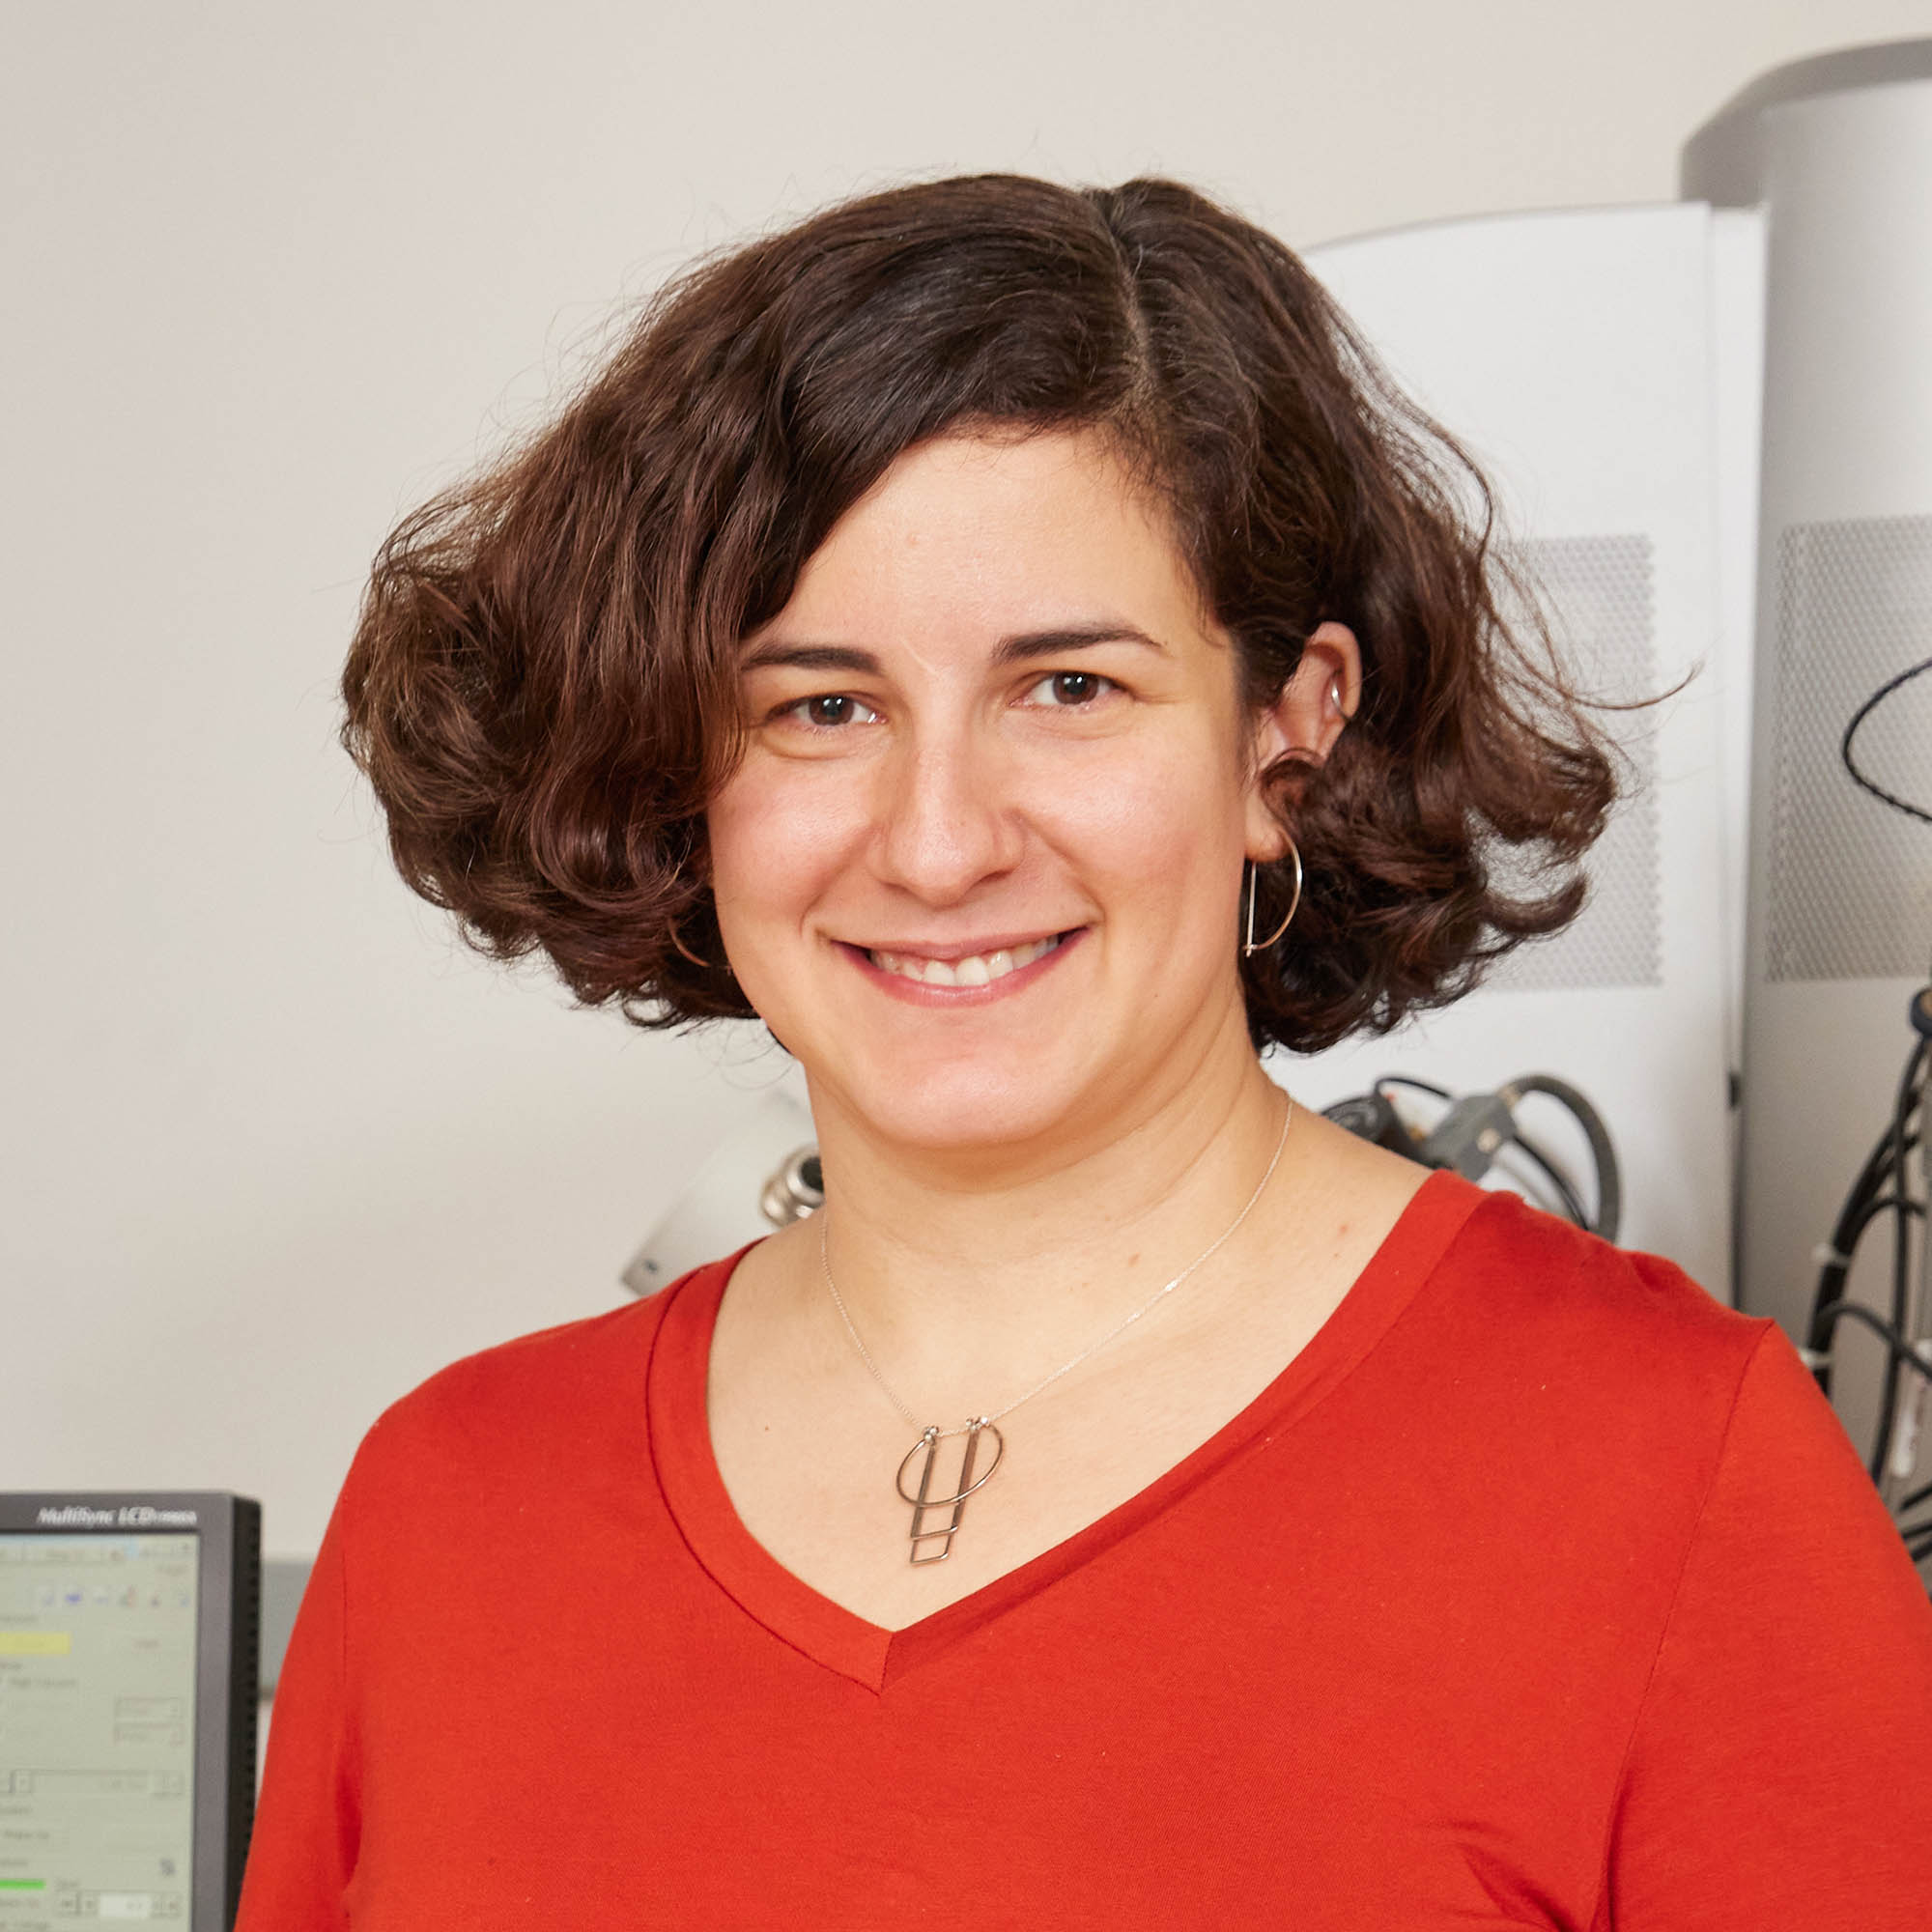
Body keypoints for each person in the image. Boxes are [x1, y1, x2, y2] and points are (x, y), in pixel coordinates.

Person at [238, 175, 1932, 1929]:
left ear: (1287, 730)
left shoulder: (1673, 1477)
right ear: (679, 769)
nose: (941, 840)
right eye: (822, 707)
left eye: (1070, 690)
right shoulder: (452, 1510)